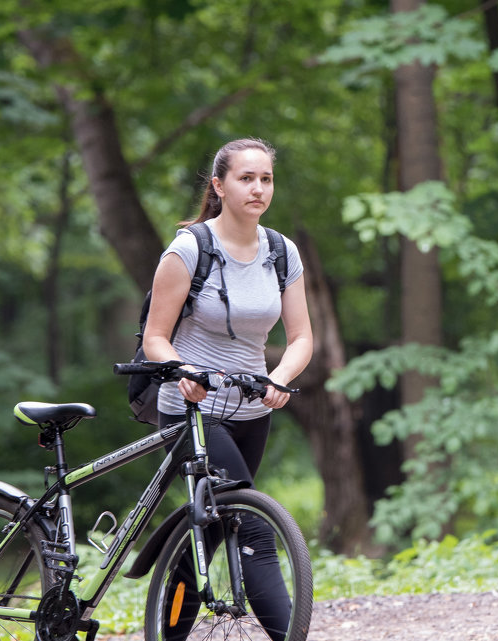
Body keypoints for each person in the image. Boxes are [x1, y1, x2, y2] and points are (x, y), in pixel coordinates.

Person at [141, 137, 312, 641]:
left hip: (250, 412)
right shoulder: (191, 248)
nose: (258, 188)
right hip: (191, 411)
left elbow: (302, 338)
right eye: (246, 178)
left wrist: (281, 378)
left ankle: (164, 631)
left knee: (214, 527)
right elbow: (155, 337)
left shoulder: (281, 252)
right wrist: (183, 370)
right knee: (251, 524)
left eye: (266, 179)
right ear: (219, 185)